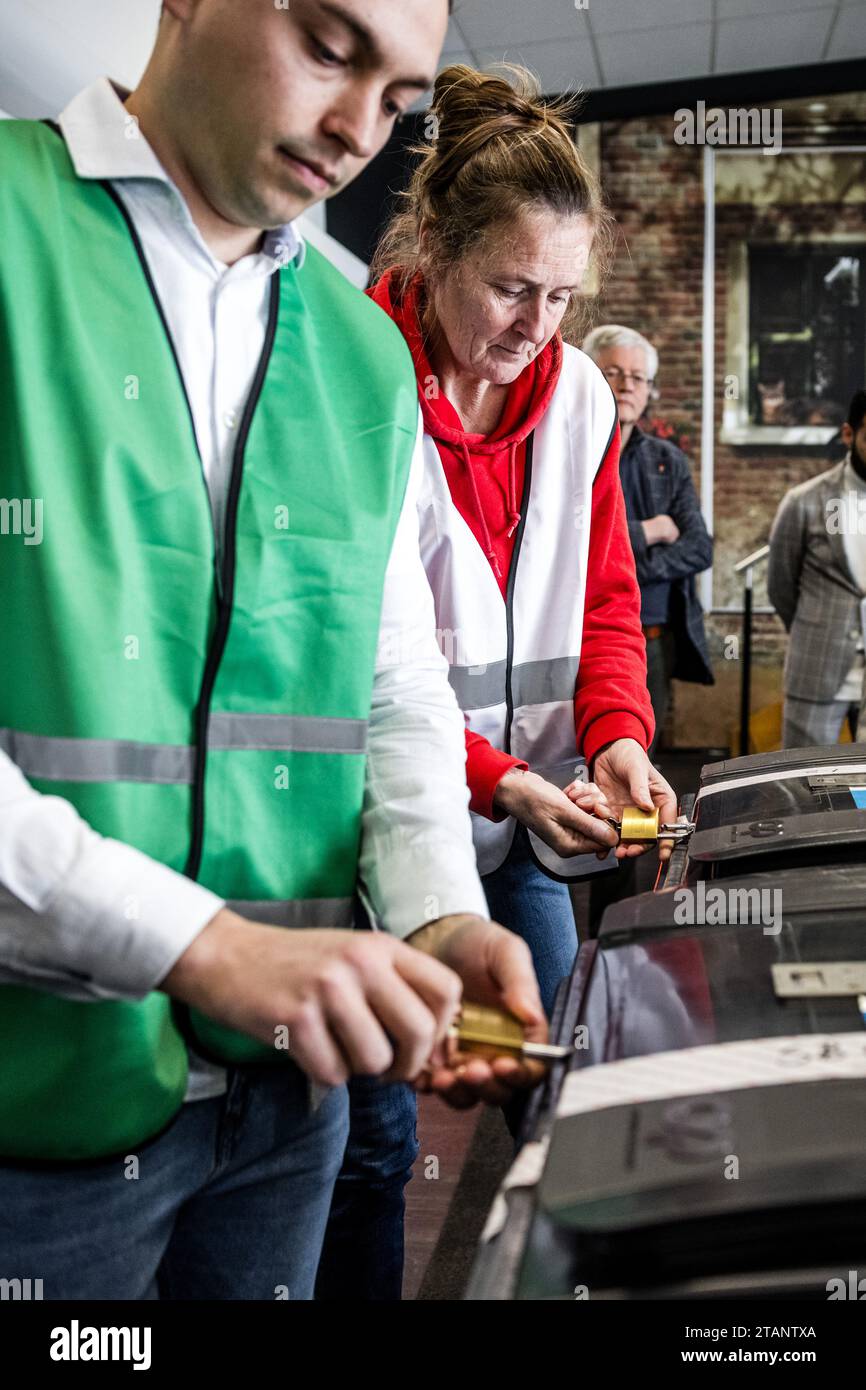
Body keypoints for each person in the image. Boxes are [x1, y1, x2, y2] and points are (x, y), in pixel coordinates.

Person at [0, 0, 549, 1303]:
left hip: (283, 1105)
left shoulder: (361, 352)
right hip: (37, 1116)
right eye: (327, 44)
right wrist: (199, 943)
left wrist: (434, 906)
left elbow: (389, 676)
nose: (360, 126)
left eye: (399, 93)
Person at [582, 325, 714, 760]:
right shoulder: (566, 449)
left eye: (638, 377)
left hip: (649, 638)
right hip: (575, 633)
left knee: (637, 758)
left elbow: (698, 547)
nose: (626, 385)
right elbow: (568, 547)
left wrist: (622, 564)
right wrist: (650, 532)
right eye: (614, 372)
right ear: (590, 375)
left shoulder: (666, 461)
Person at [768, 388, 866, 748]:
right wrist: (817, 629)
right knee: (806, 791)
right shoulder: (804, 502)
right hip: (817, 665)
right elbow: (780, 586)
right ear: (848, 434)